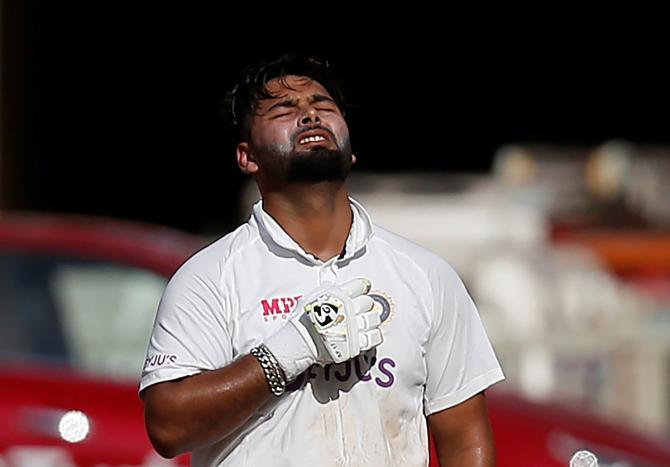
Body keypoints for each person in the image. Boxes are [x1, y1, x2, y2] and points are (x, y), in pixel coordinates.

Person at [140, 53, 505, 467]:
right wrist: (290, 351)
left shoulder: (426, 275)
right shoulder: (210, 278)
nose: (310, 115)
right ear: (247, 157)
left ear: (350, 151)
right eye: (285, 109)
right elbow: (168, 428)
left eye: (323, 106)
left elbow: (465, 439)